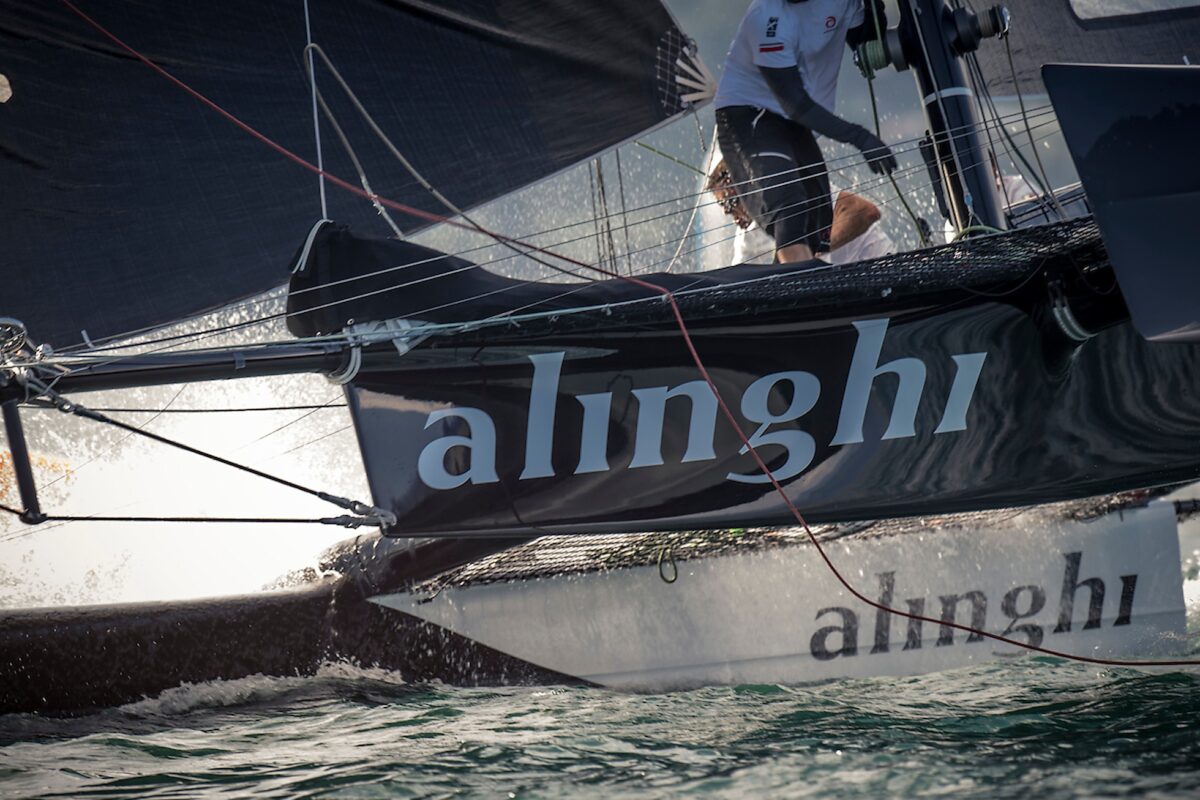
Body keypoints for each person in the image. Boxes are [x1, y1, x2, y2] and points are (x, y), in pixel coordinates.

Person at [713, 0, 896, 265]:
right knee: (791, 210)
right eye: (724, 209)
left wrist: (872, 8)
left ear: (747, 181)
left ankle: (806, 276)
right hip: (758, 113)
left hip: (791, 118)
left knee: (804, 214)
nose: (732, 215)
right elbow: (795, 104)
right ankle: (806, 282)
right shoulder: (767, 16)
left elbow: (863, 212)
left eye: (730, 204)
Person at [707, 157, 894, 264]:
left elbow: (865, 212)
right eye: (722, 205)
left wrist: (811, 254)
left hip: (882, 268)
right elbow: (739, 283)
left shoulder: (795, 192)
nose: (726, 212)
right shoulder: (746, 237)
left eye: (730, 203)